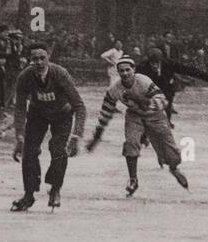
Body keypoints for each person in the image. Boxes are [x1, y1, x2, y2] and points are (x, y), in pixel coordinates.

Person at [85, 56, 189, 195]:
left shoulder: (143, 81)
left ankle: (174, 168)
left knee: (172, 154)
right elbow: (105, 113)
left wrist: (144, 101)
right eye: (121, 71)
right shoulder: (114, 89)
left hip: (156, 116)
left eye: (128, 70)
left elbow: (163, 101)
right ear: (118, 72)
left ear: (133, 70)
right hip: (134, 115)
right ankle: (133, 179)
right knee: (131, 143)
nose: (125, 74)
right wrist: (96, 137)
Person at [10, 44, 86, 211]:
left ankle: (55, 189)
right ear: (30, 61)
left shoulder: (60, 74)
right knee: (29, 151)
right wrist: (19, 136)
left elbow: (80, 106)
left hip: (62, 114)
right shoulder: (25, 77)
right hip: (38, 114)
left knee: (58, 149)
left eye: (42, 58)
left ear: (48, 58)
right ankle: (28, 194)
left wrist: (76, 136)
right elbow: (20, 107)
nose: (39, 62)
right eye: (35, 59)